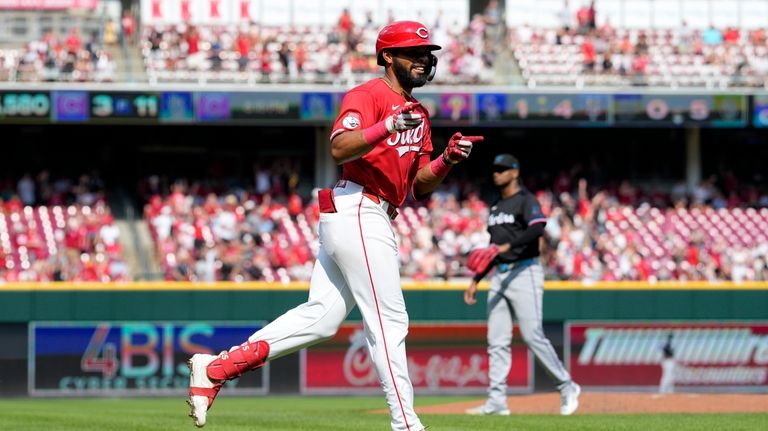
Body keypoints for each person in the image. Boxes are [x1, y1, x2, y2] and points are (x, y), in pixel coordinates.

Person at [187, 21, 483, 431]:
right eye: (412, 53)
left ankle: (217, 369)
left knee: (322, 318)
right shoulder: (368, 95)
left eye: (425, 54)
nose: (422, 60)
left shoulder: (419, 112)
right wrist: (387, 127)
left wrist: (447, 160)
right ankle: (407, 425)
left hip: (372, 212)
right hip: (358, 206)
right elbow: (339, 146)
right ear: (387, 56)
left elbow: (418, 185)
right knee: (388, 321)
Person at [463, 154, 580, 416]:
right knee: (497, 341)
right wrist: (476, 280)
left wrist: (507, 246)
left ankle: (567, 385)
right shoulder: (494, 208)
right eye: (495, 169)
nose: (497, 173)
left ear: (515, 172)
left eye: (503, 169)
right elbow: (493, 251)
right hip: (499, 276)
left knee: (532, 335)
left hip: (525, 271)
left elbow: (538, 227)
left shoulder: (526, 200)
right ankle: (497, 402)